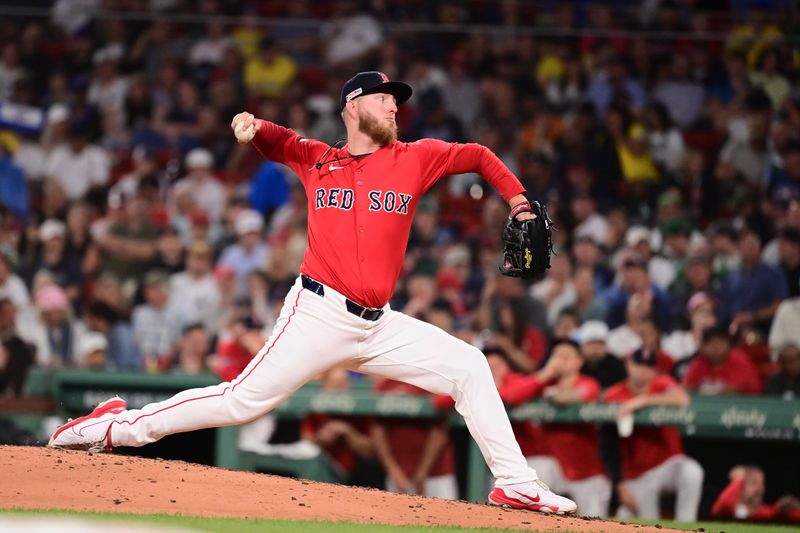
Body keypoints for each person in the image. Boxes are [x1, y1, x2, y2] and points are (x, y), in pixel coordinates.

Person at [48, 71, 576, 515]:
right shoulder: (320, 159)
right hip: (317, 315)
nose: (395, 108)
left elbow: (480, 156)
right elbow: (276, 140)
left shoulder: (416, 157)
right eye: (385, 99)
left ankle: (517, 482)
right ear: (353, 107)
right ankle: (114, 428)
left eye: (398, 102)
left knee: (469, 366)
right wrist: (251, 127)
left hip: (378, 324)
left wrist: (520, 202)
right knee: (239, 403)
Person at [604, 348, 704, 522]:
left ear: (654, 370)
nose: (643, 370)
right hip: (636, 475)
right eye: (638, 364)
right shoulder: (614, 394)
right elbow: (607, 444)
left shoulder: (662, 383)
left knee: (692, 471)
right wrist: (620, 485)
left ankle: (687, 526)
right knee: (644, 522)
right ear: (628, 365)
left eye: (648, 366)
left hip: (667, 465)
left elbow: (683, 399)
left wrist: (642, 401)